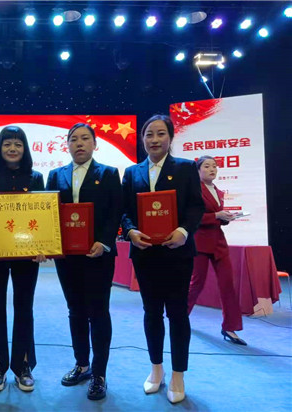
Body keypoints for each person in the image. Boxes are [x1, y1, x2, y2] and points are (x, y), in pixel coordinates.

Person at [121, 115, 204, 404]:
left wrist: (183, 231)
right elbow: (125, 210)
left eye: (160, 134)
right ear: (142, 139)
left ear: (170, 137)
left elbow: (196, 206)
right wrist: (130, 231)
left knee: (178, 313)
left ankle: (178, 373)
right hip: (145, 254)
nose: (154, 140)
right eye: (149, 134)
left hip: (178, 253)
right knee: (152, 312)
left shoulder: (185, 167)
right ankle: (156, 369)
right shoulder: (132, 172)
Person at [46, 123, 123, 401]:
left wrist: (104, 242)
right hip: (67, 257)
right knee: (75, 310)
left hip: (98, 255)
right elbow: (48, 213)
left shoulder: (109, 173)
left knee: (98, 312)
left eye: (85, 139)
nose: (79, 143)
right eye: (74, 139)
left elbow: (116, 211)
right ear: (67, 145)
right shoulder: (55, 175)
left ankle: (99, 373)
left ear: (94, 144)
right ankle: (82, 364)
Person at [0, 126, 46, 393]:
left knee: (24, 308)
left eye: (18, 144)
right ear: (0, 148)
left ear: (25, 148)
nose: (12, 149)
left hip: (27, 256)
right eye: (7, 144)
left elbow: (43, 217)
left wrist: (44, 246)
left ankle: (23, 366)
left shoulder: (36, 177)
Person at [188, 155, 246, 345]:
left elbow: (217, 218)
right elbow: (192, 218)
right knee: (196, 283)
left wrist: (226, 217)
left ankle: (230, 327)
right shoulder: (194, 190)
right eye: (207, 166)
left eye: (214, 166)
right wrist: (216, 215)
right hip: (200, 242)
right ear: (198, 170)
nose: (212, 169)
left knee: (228, 284)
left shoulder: (219, 191)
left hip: (219, 242)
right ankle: (180, 315)